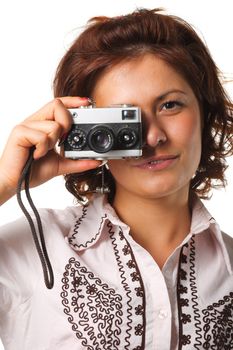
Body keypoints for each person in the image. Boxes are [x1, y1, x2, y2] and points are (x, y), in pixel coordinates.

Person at [0, 8, 232, 350]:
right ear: (87, 129)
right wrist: (5, 182)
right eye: (126, 119)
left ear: (205, 111)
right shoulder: (32, 250)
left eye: (170, 105)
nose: (152, 137)